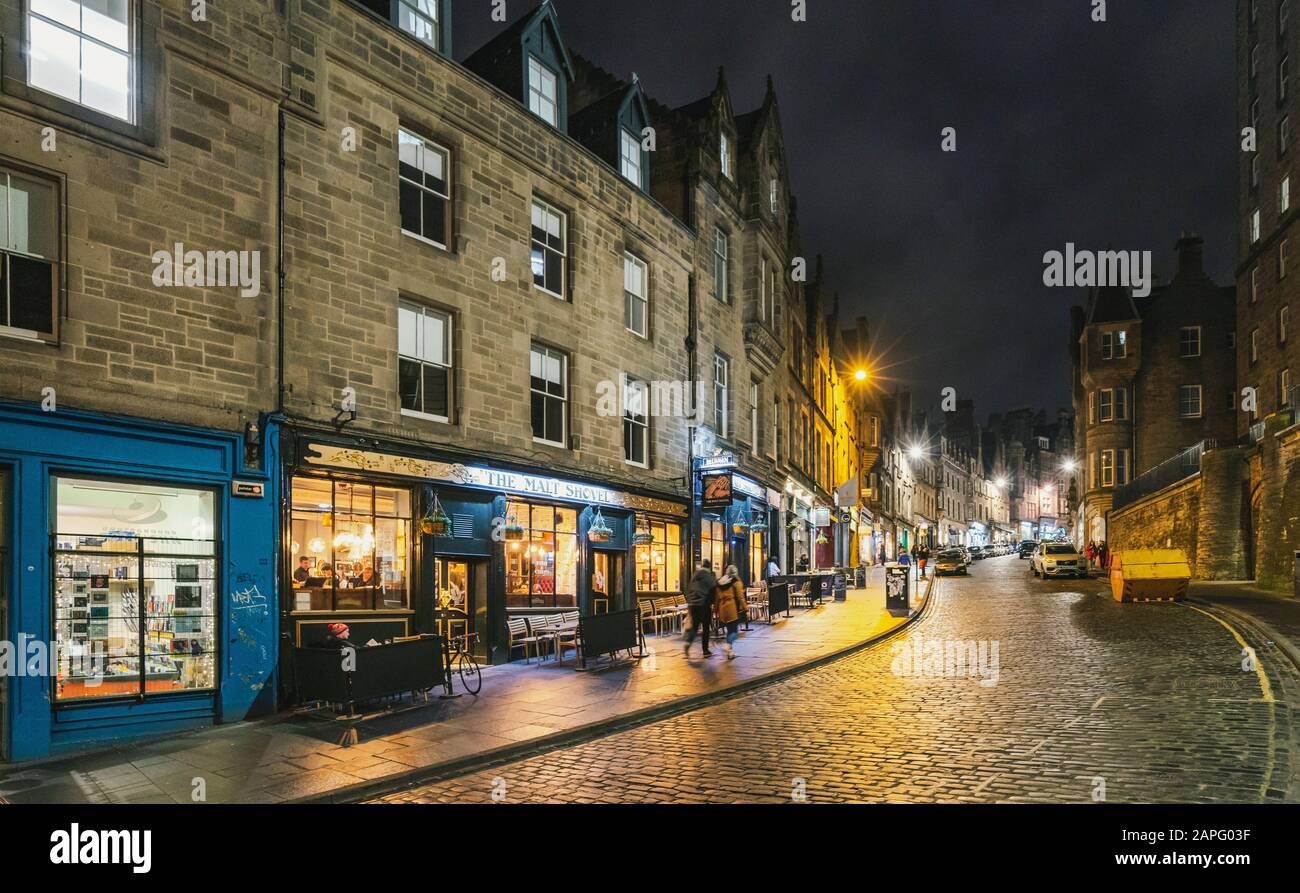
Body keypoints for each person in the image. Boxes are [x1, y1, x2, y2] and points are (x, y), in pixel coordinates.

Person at [683, 559, 718, 658]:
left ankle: (688, 643)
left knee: (694, 626)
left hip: (693, 604)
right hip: (704, 605)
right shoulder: (708, 576)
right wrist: (712, 603)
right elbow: (713, 589)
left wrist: (690, 602)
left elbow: (688, 589)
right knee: (706, 628)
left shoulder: (694, 575)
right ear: (709, 567)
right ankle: (705, 650)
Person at [714, 564, 748, 660]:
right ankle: (728, 645)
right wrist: (746, 609)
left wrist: (716, 609)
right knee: (734, 631)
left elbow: (716, 598)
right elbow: (740, 597)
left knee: (729, 630)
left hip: (722, 608)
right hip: (732, 608)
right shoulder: (736, 582)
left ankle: (730, 653)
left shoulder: (719, 583)